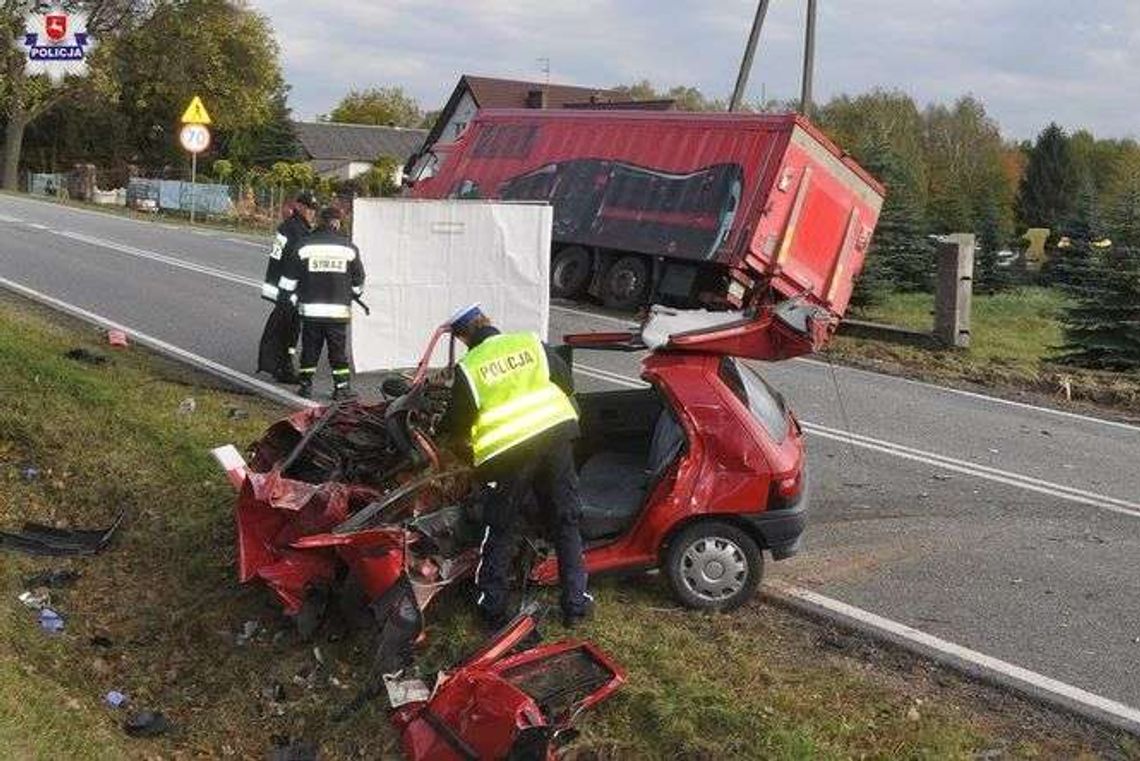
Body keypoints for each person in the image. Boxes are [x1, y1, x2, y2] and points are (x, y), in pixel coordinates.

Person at [440, 304, 592, 630]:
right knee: (566, 520)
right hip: (556, 439)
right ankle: (576, 606)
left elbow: (458, 424)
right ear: (489, 322)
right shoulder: (529, 342)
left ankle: (493, 609)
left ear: (464, 338)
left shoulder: (470, 367)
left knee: (500, 526)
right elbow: (566, 382)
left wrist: (451, 440)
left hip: (509, 454)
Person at [280, 206, 364, 399]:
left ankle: (305, 386)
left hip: (310, 312)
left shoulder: (304, 246)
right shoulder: (349, 248)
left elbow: (288, 281)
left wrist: (292, 298)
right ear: (336, 223)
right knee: (338, 352)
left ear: (320, 221)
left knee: (310, 350)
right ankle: (341, 389)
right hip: (337, 313)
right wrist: (351, 294)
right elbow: (359, 282)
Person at [257, 190, 318, 382]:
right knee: (288, 330)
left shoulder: (291, 227)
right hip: (288, 289)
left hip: (283, 287)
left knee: (286, 328)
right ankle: (283, 368)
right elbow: (292, 261)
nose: (311, 213)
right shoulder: (295, 229)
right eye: (308, 208)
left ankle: (281, 365)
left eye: (313, 210)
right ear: (298, 206)